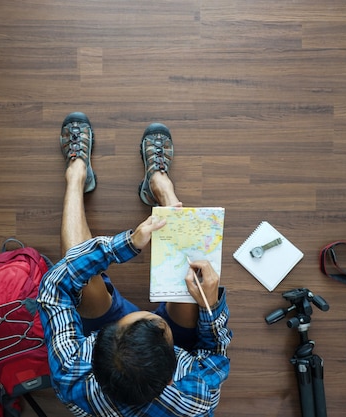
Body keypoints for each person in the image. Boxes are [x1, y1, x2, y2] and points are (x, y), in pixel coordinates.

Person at [38, 112, 232, 416]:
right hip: (155, 357)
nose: (147, 314)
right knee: (192, 280)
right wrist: (209, 307)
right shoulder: (196, 396)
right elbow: (214, 354)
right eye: (158, 326)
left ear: (95, 351)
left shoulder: (72, 375)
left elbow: (55, 285)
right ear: (172, 375)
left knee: (79, 271)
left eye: (120, 328)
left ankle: (76, 176)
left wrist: (126, 244)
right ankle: (162, 189)